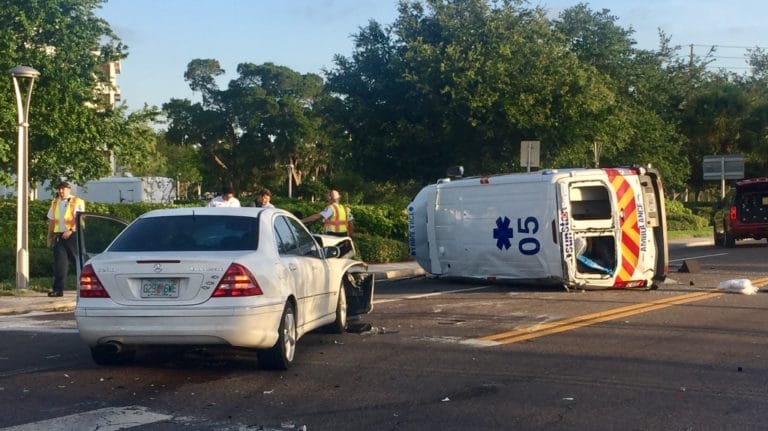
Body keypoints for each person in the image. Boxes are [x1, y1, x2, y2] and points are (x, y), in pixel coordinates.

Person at [46, 181, 85, 297]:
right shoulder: (54, 203)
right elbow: (52, 221)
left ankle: (86, 288)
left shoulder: (77, 201)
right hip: (60, 236)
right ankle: (58, 290)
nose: (61, 191)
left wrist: (71, 230)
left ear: (69, 190)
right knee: (60, 264)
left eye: (63, 189)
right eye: (59, 189)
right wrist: (50, 236)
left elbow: (80, 219)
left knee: (78, 263)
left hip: (73, 235)